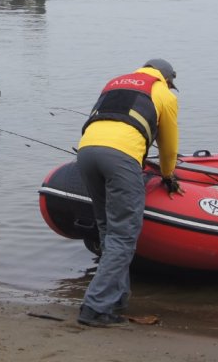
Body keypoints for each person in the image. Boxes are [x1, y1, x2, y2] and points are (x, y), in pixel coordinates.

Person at [75, 59, 181, 328]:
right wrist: (168, 176)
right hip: (120, 158)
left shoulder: (115, 82)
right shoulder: (163, 93)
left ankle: (116, 301)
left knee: (107, 230)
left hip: (87, 151)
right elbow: (169, 145)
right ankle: (94, 308)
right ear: (167, 79)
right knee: (123, 237)